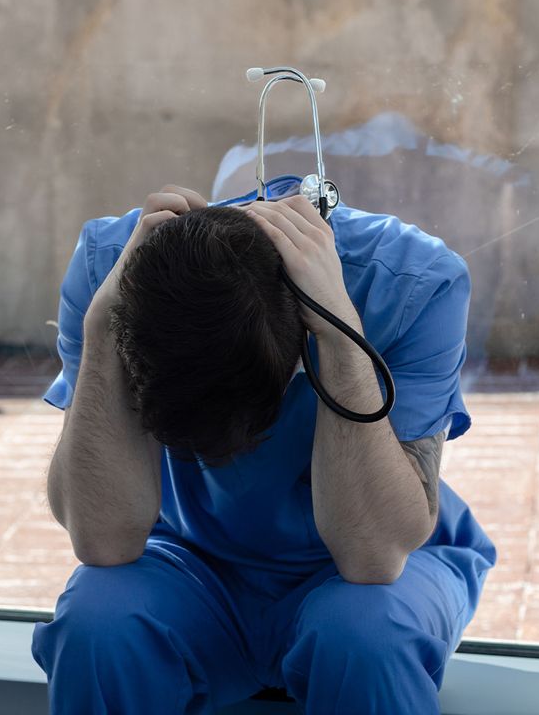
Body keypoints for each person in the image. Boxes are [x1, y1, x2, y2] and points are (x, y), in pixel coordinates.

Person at [31, 183, 496, 714]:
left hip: (372, 565)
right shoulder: (107, 268)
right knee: (98, 623)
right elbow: (103, 541)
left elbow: (374, 558)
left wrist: (341, 336)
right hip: (189, 558)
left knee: (366, 636)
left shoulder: (414, 280)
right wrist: (101, 330)